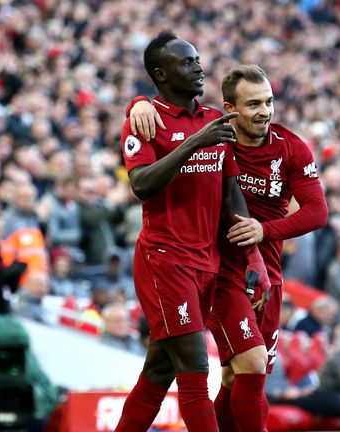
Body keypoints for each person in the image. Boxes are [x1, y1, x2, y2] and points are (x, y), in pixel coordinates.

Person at [128, 63, 328, 432]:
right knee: (248, 364)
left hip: (266, 274)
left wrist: (263, 231)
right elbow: (175, 117)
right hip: (219, 272)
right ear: (230, 108)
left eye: (268, 102)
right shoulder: (216, 137)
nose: (264, 112)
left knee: (239, 379)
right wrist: (138, 103)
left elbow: (318, 211)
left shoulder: (291, 146)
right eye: (253, 104)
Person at [114, 33, 269, 432]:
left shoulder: (216, 119)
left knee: (158, 371)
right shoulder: (145, 121)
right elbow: (142, 184)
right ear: (161, 75)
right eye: (187, 62)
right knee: (196, 370)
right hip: (165, 261)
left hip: (207, 264)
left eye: (198, 59)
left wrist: (254, 257)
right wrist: (193, 143)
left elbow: (231, 192)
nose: (199, 67)